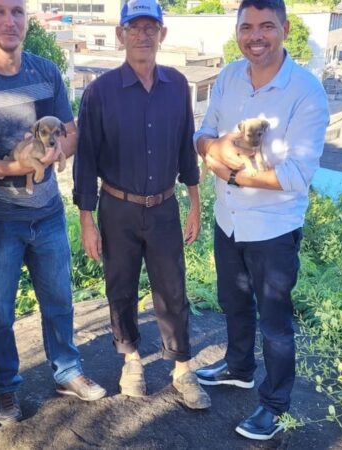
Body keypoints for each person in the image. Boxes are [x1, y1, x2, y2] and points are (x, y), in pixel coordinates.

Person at [0, 0, 106, 426]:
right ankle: (6, 390)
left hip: (46, 211)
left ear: (27, 20)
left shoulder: (46, 71)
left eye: (17, 11)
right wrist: (18, 167)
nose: (9, 21)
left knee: (59, 300)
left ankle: (67, 372)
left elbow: (70, 133)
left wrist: (54, 155)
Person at [193, 0, 330, 440]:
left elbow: (296, 175)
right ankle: (238, 366)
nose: (256, 36)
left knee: (275, 322)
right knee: (232, 300)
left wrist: (231, 171)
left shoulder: (306, 92)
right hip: (228, 218)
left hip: (273, 228)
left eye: (266, 26)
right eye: (247, 26)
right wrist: (213, 151)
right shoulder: (230, 76)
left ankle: (274, 404)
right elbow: (202, 133)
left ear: (285, 29)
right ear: (237, 31)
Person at [73, 0, 211, 410]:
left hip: (165, 206)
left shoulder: (176, 85)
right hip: (117, 208)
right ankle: (131, 359)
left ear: (162, 35)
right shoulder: (100, 92)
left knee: (172, 289)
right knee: (121, 287)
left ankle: (182, 368)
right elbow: (87, 161)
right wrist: (87, 219)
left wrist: (195, 200)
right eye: (134, 27)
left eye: (151, 27)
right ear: (121, 34)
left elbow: (187, 147)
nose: (143, 35)